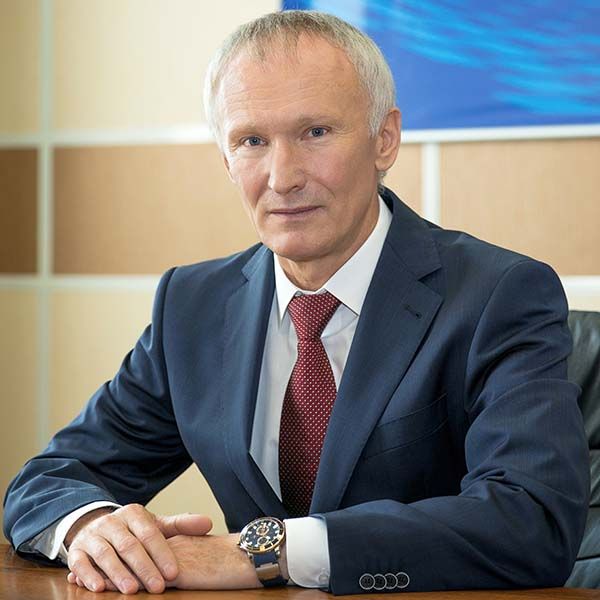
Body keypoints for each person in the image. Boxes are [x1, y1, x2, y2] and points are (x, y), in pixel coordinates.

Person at [3, 9, 589, 596]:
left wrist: (269, 551)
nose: (282, 177)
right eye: (251, 141)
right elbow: (48, 481)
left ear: (384, 139)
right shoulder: (191, 305)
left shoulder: (498, 294)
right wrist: (91, 528)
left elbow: (531, 520)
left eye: (316, 132)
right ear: (226, 159)